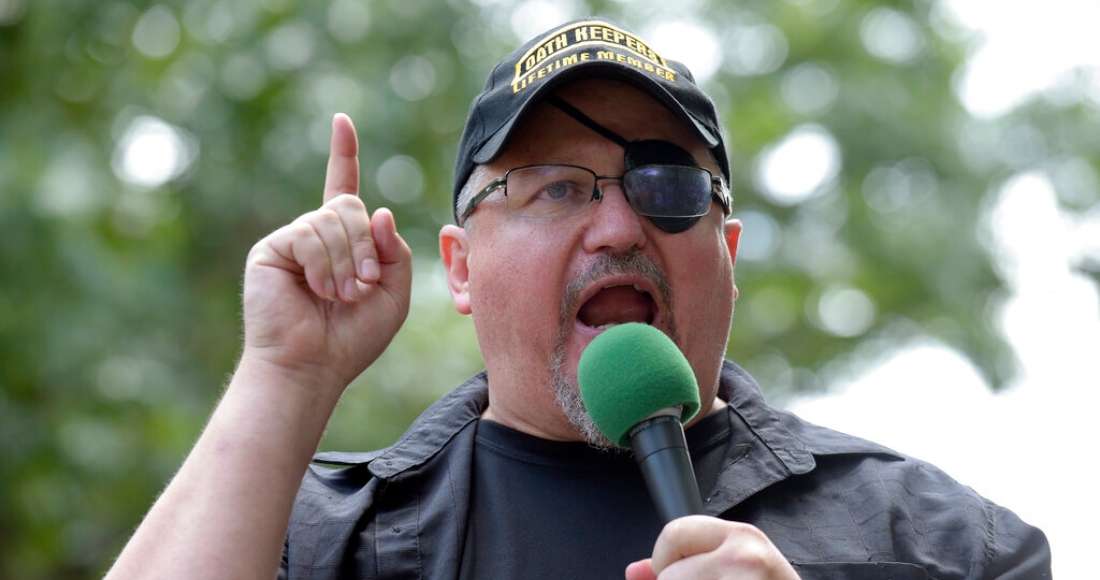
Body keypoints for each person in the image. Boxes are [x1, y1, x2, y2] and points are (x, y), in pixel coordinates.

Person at [106, 17, 1051, 580]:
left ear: (727, 253)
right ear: (461, 268)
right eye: (555, 186)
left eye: (667, 185)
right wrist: (284, 375)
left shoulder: (939, 543)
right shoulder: (312, 536)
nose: (616, 229)